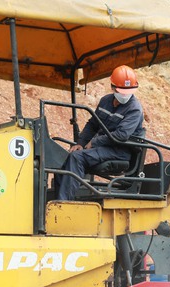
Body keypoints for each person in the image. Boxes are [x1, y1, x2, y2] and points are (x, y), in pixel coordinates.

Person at [55, 65, 145, 200]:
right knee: (64, 162)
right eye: (122, 91)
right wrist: (81, 143)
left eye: (129, 91)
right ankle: (55, 201)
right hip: (103, 148)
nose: (125, 95)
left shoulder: (134, 109)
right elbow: (93, 124)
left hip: (119, 151)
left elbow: (121, 135)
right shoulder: (105, 101)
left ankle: (63, 204)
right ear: (113, 87)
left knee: (77, 158)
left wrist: (95, 142)